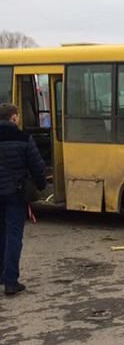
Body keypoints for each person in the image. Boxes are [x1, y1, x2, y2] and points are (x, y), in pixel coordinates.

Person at [0, 103, 46, 296]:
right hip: (14, 195)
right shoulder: (24, 138)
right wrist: (41, 184)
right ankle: (10, 281)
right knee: (13, 235)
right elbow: (37, 165)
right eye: (17, 116)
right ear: (13, 118)